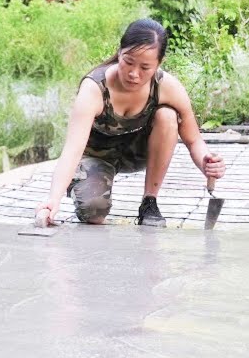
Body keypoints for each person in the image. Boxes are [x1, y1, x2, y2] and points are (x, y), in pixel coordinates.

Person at [34, 18, 226, 228]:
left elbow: (194, 140)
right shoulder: (94, 88)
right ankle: (84, 186)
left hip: (138, 154)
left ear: (159, 64)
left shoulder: (167, 87)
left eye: (145, 67)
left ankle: (149, 202)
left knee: (167, 115)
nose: (134, 74)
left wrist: (206, 162)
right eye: (128, 62)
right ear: (119, 52)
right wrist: (53, 199)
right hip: (96, 157)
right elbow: (72, 149)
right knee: (93, 211)